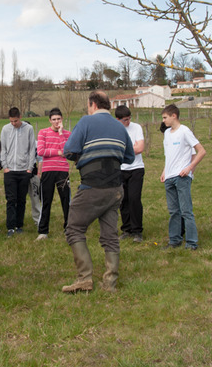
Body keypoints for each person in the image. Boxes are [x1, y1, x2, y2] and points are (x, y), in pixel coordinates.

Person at [62, 91, 134, 293]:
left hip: (93, 186)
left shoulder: (86, 122)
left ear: (92, 104)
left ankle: (84, 278)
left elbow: (69, 150)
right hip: (116, 189)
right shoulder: (120, 127)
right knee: (110, 235)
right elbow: (129, 157)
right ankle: (110, 283)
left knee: (74, 228)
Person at [160, 104, 206, 250]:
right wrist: (164, 171)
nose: (163, 121)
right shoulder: (167, 133)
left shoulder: (185, 131)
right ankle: (174, 240)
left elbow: (201, 151)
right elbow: (169, 155)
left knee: (186, 211)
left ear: (174, 116)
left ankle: (192, 242)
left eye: (165, 117)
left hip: (182, 177)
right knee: (174, 211)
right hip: (169, 177)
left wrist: (189, 168)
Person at [36, 107, 71, 240]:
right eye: (54, 119)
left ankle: (69, 228)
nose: (57, 122)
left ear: (62, 119)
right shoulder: (43, 132)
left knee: (66, 200)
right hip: (48, 170)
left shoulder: (67, 134)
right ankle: (43, 231)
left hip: (63, 171)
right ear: (50, 120)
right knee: (46, 200)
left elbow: (67, 151)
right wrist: (57, 153)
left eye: (59, 119)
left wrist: (61, 133)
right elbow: (40, 151)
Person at [0, 107, 36, 237]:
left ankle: (19, 225)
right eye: (11, 121)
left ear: (20, 117)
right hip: (10, 170)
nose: (13, 123)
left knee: (21, 200)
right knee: (11, 199)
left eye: (15, 121)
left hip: (24, 170)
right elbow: (3, 148)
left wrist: (29, 168)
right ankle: (10, 227)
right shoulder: (5, 129)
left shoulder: (29, 129)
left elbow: (32, 149)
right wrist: (5, 166)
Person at [115, 105, 146, 243]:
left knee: (134, 198)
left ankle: (137, 231)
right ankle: (126, 229)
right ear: (118, 120)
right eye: (125, 120)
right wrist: (130, 149)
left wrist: (123, 150)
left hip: (136, 168)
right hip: (120, 169)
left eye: (129, 119)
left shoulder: (136, 127)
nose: (128, 122)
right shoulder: (115, 129)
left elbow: (140, 147)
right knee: (123, 200)